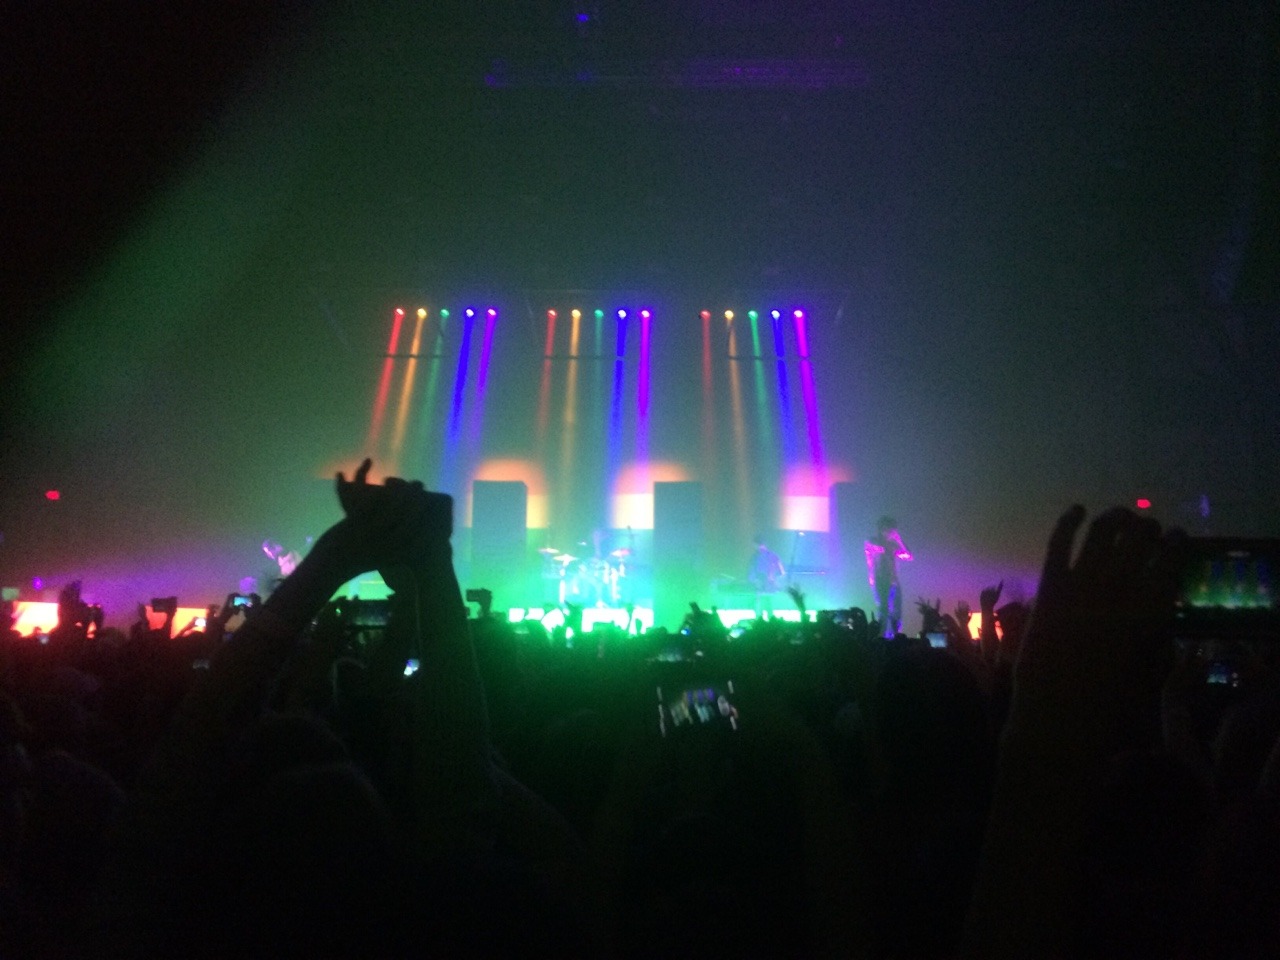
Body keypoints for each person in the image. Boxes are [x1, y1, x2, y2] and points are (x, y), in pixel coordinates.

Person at [865, 515, 912, 637]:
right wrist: (892, 544)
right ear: (882, 528)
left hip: (894, 581)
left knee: (897, 611)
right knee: (884, 610)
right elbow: (880, 549)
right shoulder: (872, 542)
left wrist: (899, 540)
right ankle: (881, 636)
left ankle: (896, 636)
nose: (893, 532)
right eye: (891, 529)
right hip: (880, 580)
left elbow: (908, 556)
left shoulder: (892, 545)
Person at [748, 535, 787, 611]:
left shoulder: (771, 556)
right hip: (762, 585)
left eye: (755, 545)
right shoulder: (755, 557)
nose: (755, 547)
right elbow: (751, 573)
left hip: (768, 585)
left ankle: (765, 617)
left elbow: (781, 572)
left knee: (765, 603)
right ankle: (765, 617)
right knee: (763, 603)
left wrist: (775, 581)